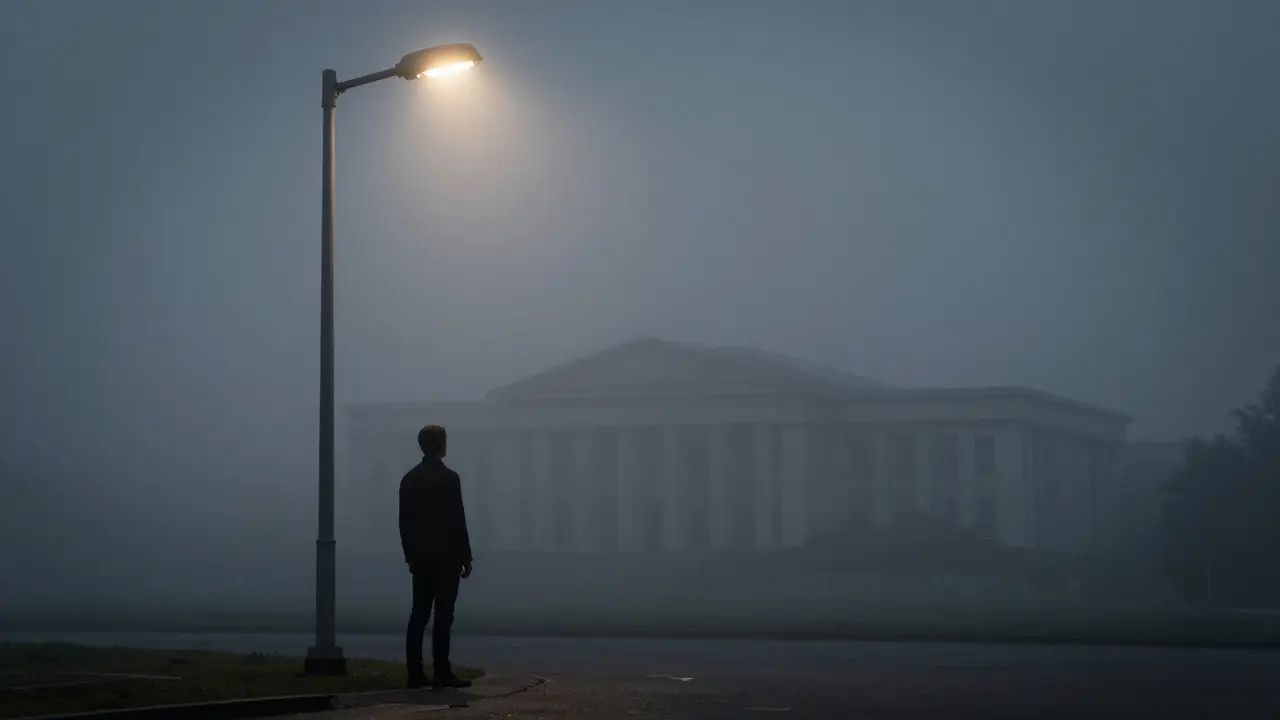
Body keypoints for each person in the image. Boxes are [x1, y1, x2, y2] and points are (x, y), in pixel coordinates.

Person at [399, 424, 474, 689]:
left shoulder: (409, 479)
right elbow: (457, 520)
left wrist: (410, 556)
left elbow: (404, 523)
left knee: (418, 614)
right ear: (440, 445)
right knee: (443, 616)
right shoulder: (449, 478)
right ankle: (442, 671)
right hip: (446, 557)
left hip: (421, 558)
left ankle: (414, 673)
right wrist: (467, 556)